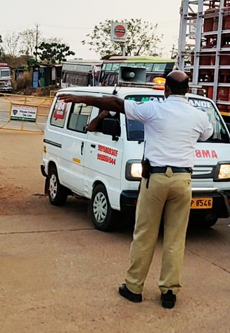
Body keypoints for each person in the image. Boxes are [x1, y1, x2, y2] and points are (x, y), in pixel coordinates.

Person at [58, 71, 214, 309]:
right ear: (188, 90)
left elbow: (114, 103)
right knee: (175, 238)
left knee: (145, 234)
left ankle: (134, 288)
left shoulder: (153, 109)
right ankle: (169, 291)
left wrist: (81, 98)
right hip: (183, 181)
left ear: (167, 89)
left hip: (156, 179)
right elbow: (206, 135)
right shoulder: (199, 116)